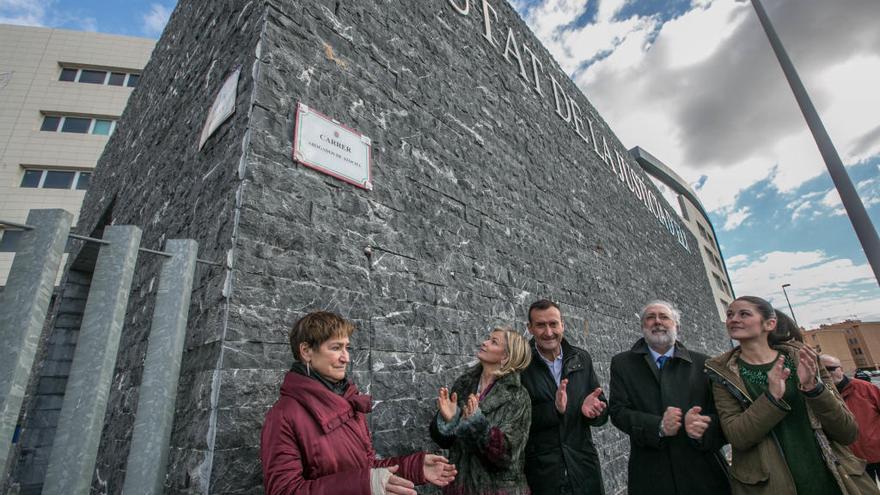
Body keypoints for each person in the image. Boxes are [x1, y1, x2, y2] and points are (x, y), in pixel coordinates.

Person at [261, 311, 457, 494]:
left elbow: (366, 470)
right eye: (336, 348)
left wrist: (414, 467)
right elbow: (284, 490)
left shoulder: (348, 402)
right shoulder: (284, 415)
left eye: (347, 347)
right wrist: (366, 485)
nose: (346, 357)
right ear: (306, 351)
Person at [705, 296, 874, 495]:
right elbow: (738, 437)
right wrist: (771, 398)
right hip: (768, 487)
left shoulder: (806, 360)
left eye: (744, 314)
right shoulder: (723, 373)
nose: (733, 319)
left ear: (770, 323)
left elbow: (847, 432)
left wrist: (814, 389)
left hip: (832, 480)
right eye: (730, 315)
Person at [609, 300, 730, 494]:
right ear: (642, 327)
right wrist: (658, 426)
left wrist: (703, 427)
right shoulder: (622, 364)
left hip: (703, 472)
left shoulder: (704, 363)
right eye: (650, 318)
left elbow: (725, 415)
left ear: (677, 326)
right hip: (652, 474)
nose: (657, 321)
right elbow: (617, 411)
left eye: (664, 317)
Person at [519, 299, 608, 495]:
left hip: (583, 467)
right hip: (544, 472)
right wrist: (555, 409)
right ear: (530, 328)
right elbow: (517, 421)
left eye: (553, 324)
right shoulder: (521, 364)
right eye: (540, 325)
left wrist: (594, 411)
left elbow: (601, 409)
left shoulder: (581, 358)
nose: (548, 332)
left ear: (563, 325)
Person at [429, 327, 532, 495]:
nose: (484, 343)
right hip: (460, 486)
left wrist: (477, 424)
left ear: (506, 357)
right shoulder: (464, 384)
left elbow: (507, 455)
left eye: (494, 342)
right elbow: (445, 442)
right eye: (488, 339)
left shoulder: (517, 396)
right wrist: (448, 420)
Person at [820, 354, 880, 484]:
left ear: (841, 369)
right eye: (822, 371)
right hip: (853, 461)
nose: (827, 374)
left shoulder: (866, 388)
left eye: (830, 369)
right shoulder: (823, 397)